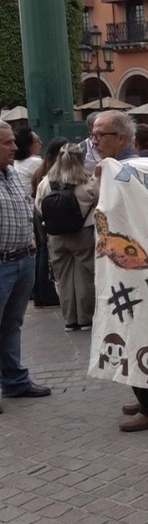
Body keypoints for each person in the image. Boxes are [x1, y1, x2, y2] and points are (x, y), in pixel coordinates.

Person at [91, 111, 148, 432]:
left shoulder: (127, 170)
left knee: (141, 331)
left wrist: (101, 182)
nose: (95, 140)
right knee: (137, 330)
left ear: (122, 138)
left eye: (102, 134)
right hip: (129, 266)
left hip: (136, 270)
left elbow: (116, 214)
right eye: (93, 134)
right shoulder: (121, 168)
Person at [0, 120, 52, 409]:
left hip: (21, 261)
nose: (14, 147)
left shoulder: (9, 174)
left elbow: (23, 211)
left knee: (11, 325)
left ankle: (14, 381)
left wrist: (31, 241)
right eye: (7, 143)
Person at [34, 144, 97, 332]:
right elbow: (100, 202)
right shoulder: (88, 181)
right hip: (83, 234)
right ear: (81, 159)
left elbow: (38, 207)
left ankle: (70, 319)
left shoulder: (46, 183)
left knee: (63, 278)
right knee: (85, 275)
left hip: (55, 236)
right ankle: (86, 318)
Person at [30, 138, 68, 308]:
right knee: (45, 251)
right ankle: (46, 292)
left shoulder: (41, 170)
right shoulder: (53, 172)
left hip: (39, 214)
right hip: (49, 216)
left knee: (41, 252)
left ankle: (39, 292)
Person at [13, 127, 42, 194]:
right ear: (27, 145)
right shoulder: (35, 162)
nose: (41, 142)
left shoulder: (16, 162)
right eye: (37, 141)